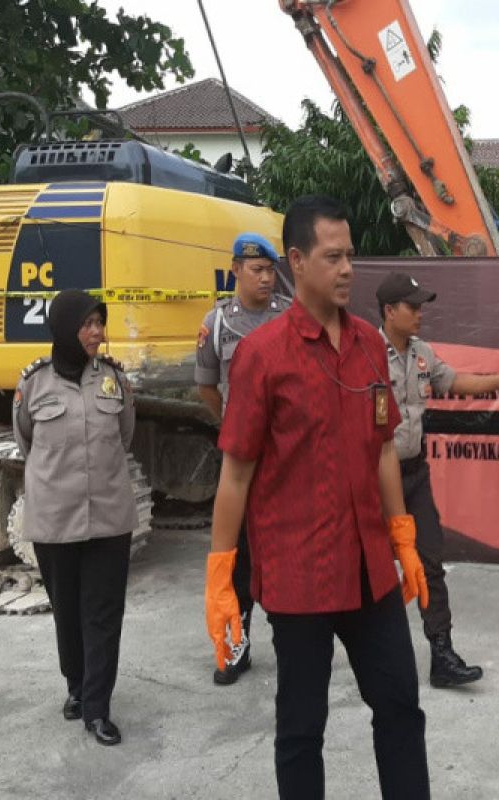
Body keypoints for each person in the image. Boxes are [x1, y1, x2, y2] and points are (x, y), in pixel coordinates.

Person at [203, 195, 431, 799]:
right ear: (297, 262)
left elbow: (383, 448)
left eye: (350, 255)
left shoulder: (365, 344)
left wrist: (401, 535)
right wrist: (221, 573)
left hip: (369, 569)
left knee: (402, 709)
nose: (348, 269)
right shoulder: (261, 356)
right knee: (302, 729)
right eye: (333, 257)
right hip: (299, 575)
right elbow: (236, 474)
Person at [377, 271, 499, 688]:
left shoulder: (421, 353)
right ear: (389, 311)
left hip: (415, 474)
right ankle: (375, 653)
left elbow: (455, 382)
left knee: (430, 562)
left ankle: (441, 654)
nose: (419, 314)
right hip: (374, 480)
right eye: (412, 307)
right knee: (374, 569)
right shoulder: (364, 352)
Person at [12, 289, 138, 746]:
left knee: (103, 613)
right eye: (87, 323)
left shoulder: (115, 382)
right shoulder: (34, 384)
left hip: (108, 515)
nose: (96, 332)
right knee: (67, 613)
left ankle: (97, 708)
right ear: (65, 327)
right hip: (55, 519)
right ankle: (76, 686)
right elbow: (26, 443)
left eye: (100, 323)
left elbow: (124, 437)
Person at [194, 232, 290, 685]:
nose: (267, 278)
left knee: (287, 554)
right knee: (238, 556)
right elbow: (207, 388)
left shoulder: (290, 317)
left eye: (271, 270)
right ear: (235, 270)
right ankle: (236, 645)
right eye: (257, 270)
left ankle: (295, 642)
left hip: (287, 460)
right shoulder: (217, 323)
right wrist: (234, 427)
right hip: (241, 461)